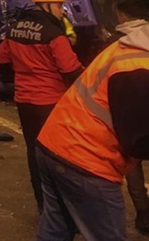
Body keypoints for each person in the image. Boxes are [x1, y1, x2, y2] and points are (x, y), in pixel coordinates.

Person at [34, 22, 149, 241]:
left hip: (54, 145)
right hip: (85, 160)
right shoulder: (138, 68)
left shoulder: (131, 47)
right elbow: (137, 140)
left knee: (54, 232)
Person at [0, 0, 83, 212]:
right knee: (59, 155)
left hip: (25, 101)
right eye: (59, 6)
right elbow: (70, 69)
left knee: (34, 153)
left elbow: (1, 59)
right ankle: (63, 209)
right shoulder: (54, 33)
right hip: (51, 102)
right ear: (46, 5)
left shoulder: (14, 29)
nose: (62, 10)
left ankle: (43, 206)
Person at [103, 0, 149, 234]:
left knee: (133, 163)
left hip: (128, 116)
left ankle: (143, 213)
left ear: (122, 16)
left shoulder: (114, 43)